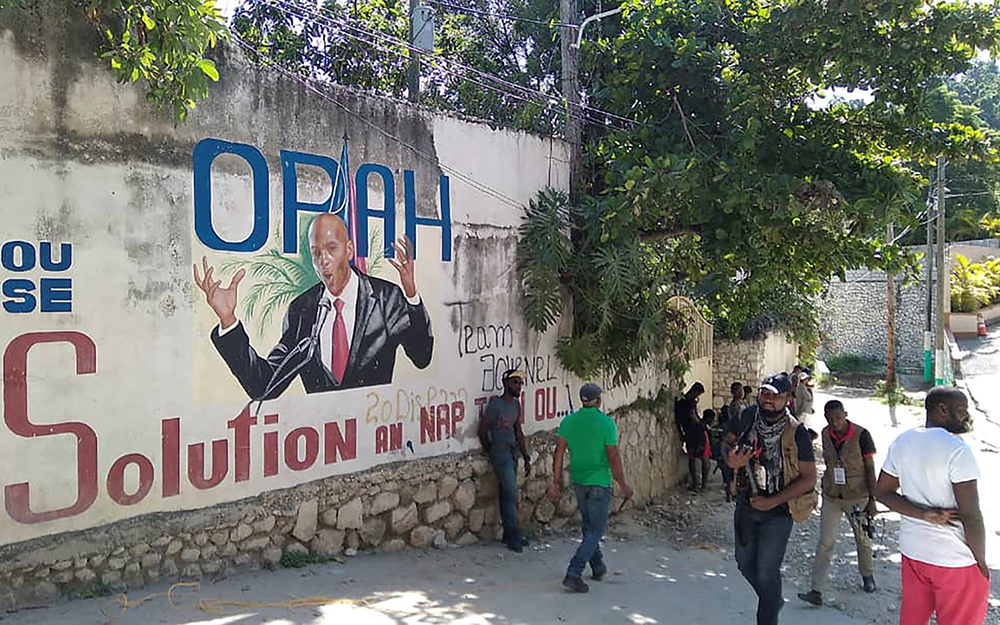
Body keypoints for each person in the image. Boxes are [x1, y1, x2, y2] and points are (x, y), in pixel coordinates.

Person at [193, 214, 433, 398]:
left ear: (348, 250)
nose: (323, 260)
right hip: (321, 446)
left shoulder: (385, 298)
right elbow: (264, 385)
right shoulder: (302, 310)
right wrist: (228, 322)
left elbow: (422, 357)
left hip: (375, 438)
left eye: (331, 249)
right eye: (316, 252)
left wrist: (411, 295)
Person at [874, 386, 988, 625]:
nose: (966, 416)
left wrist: (923, 514)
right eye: (961, 410)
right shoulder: (958, 451)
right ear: (942, 410)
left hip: (914, 553)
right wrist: (980, 562)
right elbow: (972, 517)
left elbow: (882, 492)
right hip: (954, 560)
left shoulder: (903, 441)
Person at [725, 373, 818, 625]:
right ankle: (773, 599)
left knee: (767, 573)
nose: (769, 400)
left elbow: (809, 478)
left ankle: (767, 615)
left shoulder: (796, 432)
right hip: (746, 504)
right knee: (744, 564)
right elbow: (727, 443)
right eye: (765, 394)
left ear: (787, 399)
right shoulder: (746, 417)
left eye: (776, 396)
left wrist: (773, 501)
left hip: (779, 511)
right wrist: (731, 459)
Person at [548, 383, 633, 593]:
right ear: (598, 400)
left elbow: (558, 454)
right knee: (596, 529)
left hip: (579, 480)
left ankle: (598, 566)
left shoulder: (568, 422)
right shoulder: (606, 423)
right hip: (599, 481)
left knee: (589, 526)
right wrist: (622, 483)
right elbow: (612, 456)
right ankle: (574, 572)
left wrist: (556, 481)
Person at [798, 400, 878, 607]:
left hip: (857, 496)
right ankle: (817, 589)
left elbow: (870, 467)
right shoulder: (825, 434)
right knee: (825, 542)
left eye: (838, 418)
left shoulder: (862, 435)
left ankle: (867, 575)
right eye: (830, 419)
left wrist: (873, 499)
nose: (834, 423)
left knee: (862, 539)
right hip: (832, 495)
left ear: (845, 414)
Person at [478, 369, 532, 553]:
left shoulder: (516, 405)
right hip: (500, 453)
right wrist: (489, 450)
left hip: (512, 452)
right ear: (507, 384)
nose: (519, 386)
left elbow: (518, 431)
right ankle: (513, 534)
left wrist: (525, 456)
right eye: (515, 382)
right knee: (511, 493)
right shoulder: (496, 405)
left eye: (520, 383)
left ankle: (508, 534)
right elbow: (483, 429)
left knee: (505, 493)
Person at [684, 408, 712, 492]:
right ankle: (699, 484)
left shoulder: (700, 424)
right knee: (699, 462)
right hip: (697, 441)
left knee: (699, 462)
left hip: (699, 441)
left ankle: (699, 484)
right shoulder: (698, 424)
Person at [674, 382, 705, 448]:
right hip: (688, 426)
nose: (697, 396)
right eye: (698, 394)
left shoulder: (689, 401)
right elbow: (691, 414)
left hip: (689, 426)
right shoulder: (685, 401)